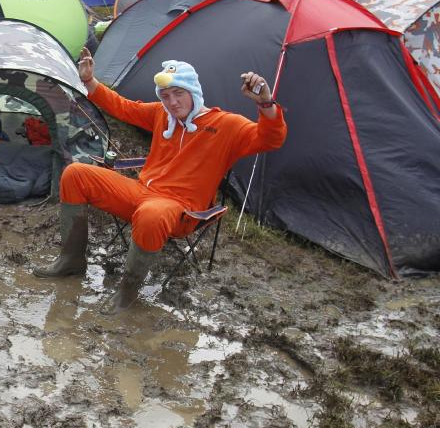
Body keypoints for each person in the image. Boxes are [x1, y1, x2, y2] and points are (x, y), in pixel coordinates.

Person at [32, 49, 287, 313]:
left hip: (182, 211)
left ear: (194, 92)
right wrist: (89, 81)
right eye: (165, 96)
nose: (172, 102)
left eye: (179, 93)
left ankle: (126, 294)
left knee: (151, 214)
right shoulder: (161, 114)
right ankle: (71, 260)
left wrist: (265, 104)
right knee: (76, 173)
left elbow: (271, 140)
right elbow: (123, 107)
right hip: (142, 193)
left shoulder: (226, 125)